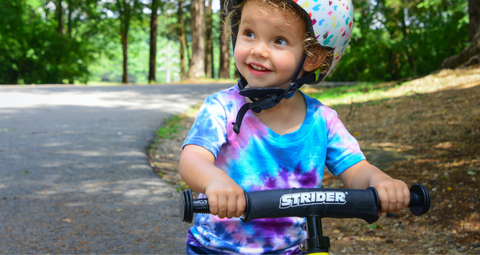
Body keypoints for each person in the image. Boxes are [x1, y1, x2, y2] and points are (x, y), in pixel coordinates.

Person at [179, 0, 410, 253]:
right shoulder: (222, 108)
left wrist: (380, 181)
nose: (258, 50)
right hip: (216, 248)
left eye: (278, 40)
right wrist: (215, 181)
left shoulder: (323, 121)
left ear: (313, 57)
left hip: (290, 249)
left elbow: (356, 171)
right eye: (249, 33)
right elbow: (193, 160)